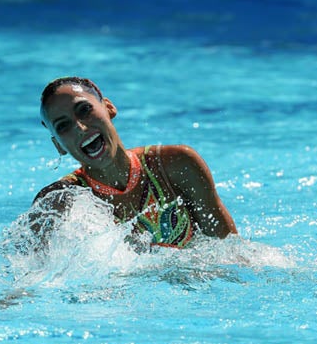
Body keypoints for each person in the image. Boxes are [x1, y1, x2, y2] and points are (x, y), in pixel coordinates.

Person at [32, 76, 237, 248]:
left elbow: (230, 250)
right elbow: (28, 279)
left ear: (109, 108)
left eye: (84, 110)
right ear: (58, 145)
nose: (79, 127)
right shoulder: (58, 201)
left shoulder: (176, 165)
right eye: (63, 126)